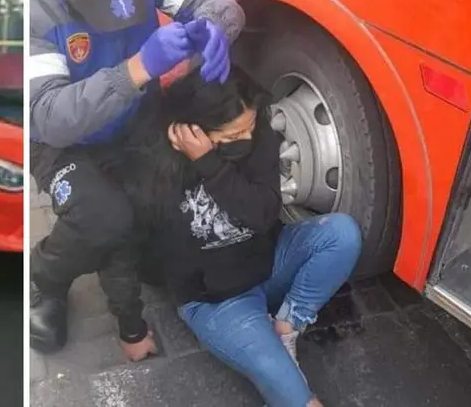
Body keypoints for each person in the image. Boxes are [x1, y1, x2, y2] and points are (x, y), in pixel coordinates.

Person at [28, 0, 245, 358]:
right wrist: (138, 68)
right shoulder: (30, 3)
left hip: (135, 115)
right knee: (104, 218)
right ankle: (46, 278)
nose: (119, 12)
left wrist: (215, 26)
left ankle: (132, 247)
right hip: (63, 141)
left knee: (170, 194)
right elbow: (49, 115)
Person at [118, 67, 361, 407]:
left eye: (248, 128)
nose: (244, 140)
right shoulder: (154, 162)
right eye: (231, 137)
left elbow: (262, 215)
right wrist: (131, 327)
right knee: (299, 401)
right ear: (192, 129)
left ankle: (287, 326)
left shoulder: (255, 135)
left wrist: (212, 164)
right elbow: (123, 249)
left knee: (342, 233)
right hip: (217, 301)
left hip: (268, 260)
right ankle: (264, 342)